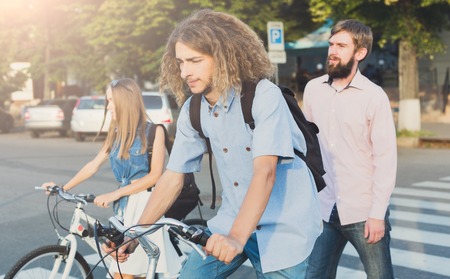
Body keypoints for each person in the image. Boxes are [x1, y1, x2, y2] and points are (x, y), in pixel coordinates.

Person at [114, 9, 322, 279]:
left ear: (223, 57)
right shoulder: (194, 109)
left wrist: (236, 238)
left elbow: (266, 172)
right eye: (180, 62)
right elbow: (172, 177)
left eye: (195, 60)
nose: (185, 71)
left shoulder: (264, 97)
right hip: (231, 220)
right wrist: (134, 233)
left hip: (283, 228)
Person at [42, 78, 181, 279]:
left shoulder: (154, 131)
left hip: (146, 207)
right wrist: (63, 187)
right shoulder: (116, 133)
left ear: (125, 101)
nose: (108, 106)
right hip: (123, 208)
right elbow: (93, 165)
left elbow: (154, 176)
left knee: (124, 272)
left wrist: (115, 193)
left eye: (111, 100)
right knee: (128, 272)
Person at [303, 19, 397, 279]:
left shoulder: (374, 96)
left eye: (341, 46)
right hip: (323, 208)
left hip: (363, 210)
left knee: (380, 276)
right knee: (314, 275)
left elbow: (385, 160)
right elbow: (307, 146)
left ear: (360, 53)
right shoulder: (313, 90)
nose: (332, 51)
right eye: (331, 44)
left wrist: (377, 215)